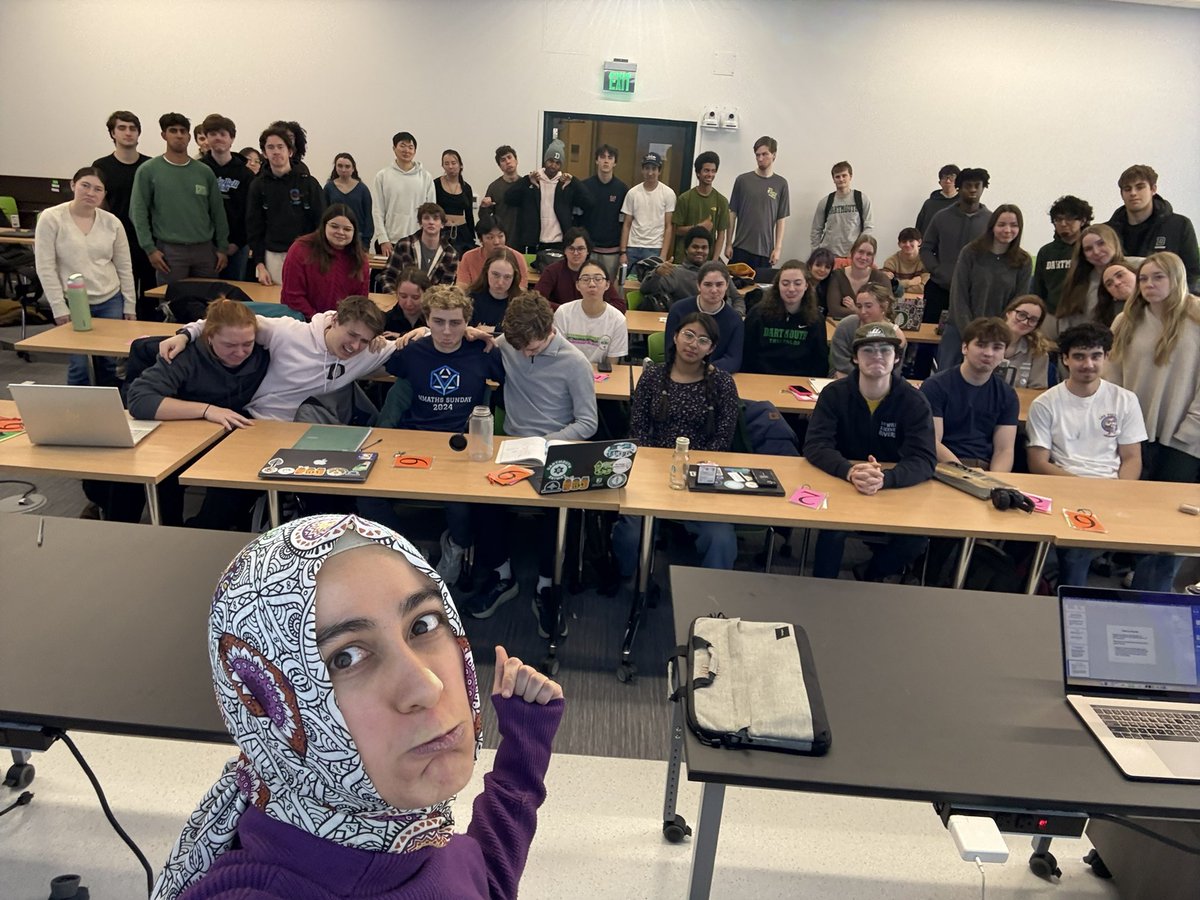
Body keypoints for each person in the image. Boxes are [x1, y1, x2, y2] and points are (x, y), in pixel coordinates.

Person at [149, 513, 563, 900]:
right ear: (269, 703)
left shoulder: (405, 827)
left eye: (423, 624)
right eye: (345, 657)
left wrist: (524, 751)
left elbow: (478, 879)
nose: (428, 686)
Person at [461, 293, 597, 634]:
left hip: (556, 447)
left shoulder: (575, 362)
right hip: (511, 445)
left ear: (550, 330)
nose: (525, 354)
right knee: (484, 499)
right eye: (519, 348)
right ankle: (502, 575)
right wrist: (474, 333)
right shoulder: (511, 342)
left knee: (559, 508)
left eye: (533, 349)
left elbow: (587, 422)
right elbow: (481, 337)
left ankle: (547, 585)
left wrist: (547, 442)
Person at [364, 287, 506, 584]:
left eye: (455, 323)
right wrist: (406, 335)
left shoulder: (481, 352)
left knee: (462, 505)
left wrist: (487, 336)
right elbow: (375, 352)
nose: (446, 331)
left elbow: (512, 365)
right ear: (426, 319)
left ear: (467, 322)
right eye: (438, 321)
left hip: (458, 449)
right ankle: (407, 549)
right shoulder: (412, 352)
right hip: (412, 442)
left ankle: (455, 547)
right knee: (367, 496)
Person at [804, 320, 936, 581]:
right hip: (841, 483)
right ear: (855, 357)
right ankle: (821, 589)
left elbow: (924, 458)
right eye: (868, 350)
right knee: (832, 531)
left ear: (896, 357)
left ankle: (871, 575)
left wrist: (887, 478)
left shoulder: (914, 401)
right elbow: (816, 444)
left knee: (916, 540)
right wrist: (850, 471)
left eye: (885, 350)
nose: (877, 356)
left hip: (892, 486)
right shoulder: (834, 394)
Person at [612, 311, 740, 576]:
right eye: (688, 335)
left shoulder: (722, 383)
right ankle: (629, 580)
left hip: (700, 476)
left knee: (721, 539)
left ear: (711, 348)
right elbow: (637, 428)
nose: (693, 344)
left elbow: (723, 437)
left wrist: (692, 469)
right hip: (650, 471)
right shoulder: (652, 377)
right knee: (630, 533)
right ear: (675, 336)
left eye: (703, 341)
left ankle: (711, 602)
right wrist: (656, 466)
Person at [124, 298, 270, 528]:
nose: (240, 352)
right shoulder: (186, 355)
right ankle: (167, 532)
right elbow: (140, 400)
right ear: (208, 337)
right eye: (230, 345)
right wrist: (206, 410)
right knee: (160, 474)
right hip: (183, 436)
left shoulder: (264, 354)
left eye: (247, 344)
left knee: (233, 486)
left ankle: (203, 530)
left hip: (237, 436)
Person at [1026, 323, 1146, 588]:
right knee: (1078, 549)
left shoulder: (1125, 400)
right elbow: (1038, 463)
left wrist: (1119, 492)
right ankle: (1072, 605)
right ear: (1065, 359)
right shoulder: (1045, 403)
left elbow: (1132, 458)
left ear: (1106, 357)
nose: (1088, 364)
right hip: (1064, 490)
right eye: (1079, 356)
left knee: (1161, 548)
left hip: (1113, 491)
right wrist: (1084, 490)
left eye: (1095, 356)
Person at [1106, 252, 1200, 591]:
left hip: (1185, 436)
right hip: (1135, 432)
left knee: (1170, 519)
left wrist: (1189, 431)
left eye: (1157, 277)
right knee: (1137, 509)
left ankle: (1154, 591)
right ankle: (1133, 574)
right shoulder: (1126, 321)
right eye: (1144, 278)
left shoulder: (1197, 316)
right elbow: (1112, 378)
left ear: (1175, 278)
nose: (1148, 285)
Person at [161, 295, 394, 422]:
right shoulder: (287, 332)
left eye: (364, 340)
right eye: (352, 335)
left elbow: (425, 340)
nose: (355, 346)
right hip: (260, 423)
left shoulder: (368, 351)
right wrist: (186, 334)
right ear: (335, 320)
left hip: (311, 433)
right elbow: (226, 320)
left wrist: (417, 333)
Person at [34, 166, 136, 385]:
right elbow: (45, 267)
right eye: (85, 186)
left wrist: (130, 305)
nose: (91, 193)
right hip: (73, 301)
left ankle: (110, 412)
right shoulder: (51, 218)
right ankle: (76, 413)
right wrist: (58, 306)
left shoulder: (112, 222)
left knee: (108, 363)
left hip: (109, 298)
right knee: (79, 364)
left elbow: (124, 266)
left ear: (104, 194)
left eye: (98, 189)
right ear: (73, 185)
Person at [129, 112, 228, 286]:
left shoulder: (204, 172)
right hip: (170, 252)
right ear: (164, 135)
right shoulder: (149, 170)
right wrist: (150, 249)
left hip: (205, 250)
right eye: (173, 130)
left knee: (209, 305)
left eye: (183, 131)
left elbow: (218, 212)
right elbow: (137, 212)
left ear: (189, 136)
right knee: (172, 306)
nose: (179, 135)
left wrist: (222, 248)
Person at [939, 203, 1031, 370]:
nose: (1007, 230)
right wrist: (971, 334)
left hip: (997, 336)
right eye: (1002, 224)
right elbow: (958, 295)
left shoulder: (1023, 261)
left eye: (1014, 225)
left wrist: (995, 333)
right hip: (960, 331)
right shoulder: (970, 252)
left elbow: (1018, 302)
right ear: (992, 226)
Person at [920, 317, 1018, 471]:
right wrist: (966, 474)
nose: (988, 353)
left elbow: (1004, 450)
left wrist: (996, 481)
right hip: (942, 466)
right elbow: (933, 441)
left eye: (997, 348)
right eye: (981, 345)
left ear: (1004, 353)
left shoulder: (1007, 394)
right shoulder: (935, 386)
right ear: (965, 347)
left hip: (985, 468)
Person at [92, 110, 156, 317]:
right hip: (115, 239)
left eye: (133, 128)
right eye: (122, 128)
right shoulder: (101, 166)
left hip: (147, 240)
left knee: (149, 296)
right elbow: (99, 206)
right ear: (112, 133)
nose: (128, 133)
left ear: (139, 133)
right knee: (120, 296)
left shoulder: (150, 166)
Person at [246, 125, 326, 286]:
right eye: (270, 147)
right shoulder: (258, 186)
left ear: (290, 151)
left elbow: (321, 221)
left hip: (306, 254)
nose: (276, 151)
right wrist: (260, 265)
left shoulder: (308, 183)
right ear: (264, 153)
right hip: (272, 256)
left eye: (280, 147)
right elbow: (254, 227)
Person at [1106, 164, 1200, 292]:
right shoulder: (1108, 231)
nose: (1133, 193)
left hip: (1168, 303)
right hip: (1120, 304)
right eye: (1127, 189)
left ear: (1153, 189)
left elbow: (1192, 272)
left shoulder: (1179, 225)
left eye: (1140, 187)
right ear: (1121, 194)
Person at [918, 166, 990, 330]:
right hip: (940, 289)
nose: (972, 190)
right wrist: (937, 270)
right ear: (959, 187)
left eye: (977, 186)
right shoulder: (941, 217)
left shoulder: (990, 221)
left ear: (983, 188)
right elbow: (926, 248)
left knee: (970, 338)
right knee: (926, 342)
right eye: (968, 186)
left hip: (974, 294)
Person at [280, 203, 370, 319]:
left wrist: (339, 324)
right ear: (324, 225)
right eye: (334, 226)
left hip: (340, 326)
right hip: (301, 321)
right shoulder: (300, 249)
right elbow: (292, 295)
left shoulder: (360, 260)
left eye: (347, 229)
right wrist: (319, 321)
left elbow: (360, 303)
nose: (340, 232)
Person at [741, 260, 828, 376]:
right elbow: (746, 354)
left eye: (797, 283)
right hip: (761, 378)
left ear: (806, 285)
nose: (791, 289)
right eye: (785, 283)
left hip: (799, 382)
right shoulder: (757, 314)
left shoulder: (816, 319)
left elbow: (820, 362)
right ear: (778, 286)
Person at [1048, 224, 1132, 339]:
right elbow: (1066, 323)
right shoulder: (1078, 283)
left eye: (1101, 243)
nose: (1096, 252)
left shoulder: (1139, 267)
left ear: (1113, 242)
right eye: (1088, 249)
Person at [197, 114, 254, 283]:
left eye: (223, 134)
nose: (218, 138)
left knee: (233, 292)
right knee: (205, 291)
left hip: (237, 246)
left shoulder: (246, 175)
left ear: (232, 139)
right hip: (205, 245)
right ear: (206, 138)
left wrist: (237, 242)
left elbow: (249, 212)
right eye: (213, 134)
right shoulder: (198, 170)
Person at [504, 147, 591, 254]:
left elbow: (589, 203)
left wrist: (574, 182)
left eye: (557, 163)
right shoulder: (533, 180)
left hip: (560, 242)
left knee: (557, 270)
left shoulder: (566, 184)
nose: (553, 165)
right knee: (531, 270)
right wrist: (526, 180)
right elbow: (508, 198)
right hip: (534, 242)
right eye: (550, 161)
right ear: (545, 161)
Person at [663, 260, 744, 372]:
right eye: (707, 284)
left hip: (714, 375)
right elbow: (670, 350)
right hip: (681, 372)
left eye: (719, 284)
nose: (714, 290)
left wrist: (706, 369)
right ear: (698, 285)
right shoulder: (678, 310)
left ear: (727, 286)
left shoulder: (735, 320)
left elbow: (733, 359)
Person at [640, 226, 743, 312]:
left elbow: (737, 298)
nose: (699, 251)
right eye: (695, 247)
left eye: (704, 248)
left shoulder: (718, 272)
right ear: (686, 249)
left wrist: (737, 315)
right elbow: (645, 289)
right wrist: (657, 273)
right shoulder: (676, 273)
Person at [726, 136, 790, 269]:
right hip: (741, 248)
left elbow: (781, 219)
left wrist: (777, 248)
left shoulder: (781, 184)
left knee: (761, 289)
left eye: (765, 154)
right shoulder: (742, 181)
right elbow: (732, 214)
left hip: (765, 252)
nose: (760, 159)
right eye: (757, 155)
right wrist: (728, 244)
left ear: (774, 155)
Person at [372, 131, 436, 257]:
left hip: (418, 241)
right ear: (394, 148)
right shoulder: (382, 176)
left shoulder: (425, 177)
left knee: (416, 277)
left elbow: (432, 211)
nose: (406, 150)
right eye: (402, 146)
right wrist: (383, 239)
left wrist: (428, 239)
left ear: (415, 151)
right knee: (386, 277)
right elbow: (377, 210)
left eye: (410, 147)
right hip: (390, 241)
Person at [552, 260, 629, 364]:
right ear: (578, 285)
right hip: (568, 372)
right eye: (585, 279)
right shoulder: (563, 313)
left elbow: (612, 364)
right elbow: (558, 354)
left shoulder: (618, 320)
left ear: (607, 285)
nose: (592, 284)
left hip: (601, 376)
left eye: (598, 279)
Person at [535, 227, 624, 310]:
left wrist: (595, 309)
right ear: (564, 251)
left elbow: (620, 305)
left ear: (588, 251)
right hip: (561, 321)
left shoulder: (598, 271)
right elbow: (536, 300)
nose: (576, 253)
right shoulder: (552, 271)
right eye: (571, 248)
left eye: (580, 249)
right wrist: (569, 310)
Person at [1031, 195, 1093, 314]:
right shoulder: (1046, 252)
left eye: (1069, 218)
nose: (1063, 224)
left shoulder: (1090, 248)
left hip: (1083, 313)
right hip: (1051, 314)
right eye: (1058, 219)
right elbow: (1038, 289)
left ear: (1083, 221)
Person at [830, 283, 907, 377]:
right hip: (846, 376)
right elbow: (840, 362)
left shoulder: (896, 334)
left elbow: (895, 371)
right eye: (859, 306)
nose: (863, 311)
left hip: (882, 380)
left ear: (884, 306)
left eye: (868, 306)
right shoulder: (847, 325)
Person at [618, 152, 676, 273]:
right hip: (632, 247)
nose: (650, 173)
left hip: (654, 247)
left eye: (654, 169)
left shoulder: (668, 194)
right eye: (647, 168)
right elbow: (627, 224)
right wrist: (623, 252)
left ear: (659, 171)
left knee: (651, 285)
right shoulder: (632, 193)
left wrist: (663, 255)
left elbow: (668, 226)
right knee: (628, 284)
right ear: (642, 170)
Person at [380, 202, 459, 290]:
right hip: (402, 299)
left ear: (442, 224)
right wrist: (395, 295)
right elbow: (388, 276)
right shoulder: (404, 245)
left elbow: (447, 288)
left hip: (433, 302)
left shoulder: (451, 254)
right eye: (426, 218)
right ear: (420, 223)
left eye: (436, 219)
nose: (431, 222)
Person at [579, 144, 628, 281]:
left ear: (615, 163)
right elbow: (577, 219)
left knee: (607, 287)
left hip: (612, 251)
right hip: (589, 250)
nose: (606, 161)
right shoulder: (584, 187)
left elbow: (625, 222)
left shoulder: (622, 189)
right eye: (602, 157)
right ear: (596, 161)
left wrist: (622, 251)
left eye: (610, 158)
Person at [671, 151, 728, 264]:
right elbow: (676, 230)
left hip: (708, 260)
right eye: (706, 170)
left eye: (713, 171)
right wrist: (698, 228)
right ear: (698, 173)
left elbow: (721, 234)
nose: (710, 174)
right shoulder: (685, 198)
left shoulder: (722, 201)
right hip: (684, 260)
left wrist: (715, 261)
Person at [810, 160, 873, 259]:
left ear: (850, 176)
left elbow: (868, 227)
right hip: (829, 256)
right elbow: (816, 230)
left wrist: (859, 249)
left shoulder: (861, 199)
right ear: (833, 179)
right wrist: (817, 252)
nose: (841, 179)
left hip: (854, 256)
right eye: (837, 176)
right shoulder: (825, 202)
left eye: (844, 175)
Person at [825, 234, 896, 319]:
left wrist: (855, 309)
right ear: (852, 252)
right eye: (860, 252)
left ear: (873, 258)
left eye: (869, 254)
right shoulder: (837, 276)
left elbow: (888, 310)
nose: (863, 257)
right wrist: (869, 311)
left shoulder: (881, 278)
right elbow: (835, 310)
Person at [455, 217, 529, 289]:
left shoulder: (517, 257)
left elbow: (521, 289)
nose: (496, 242)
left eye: (500, 236)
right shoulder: (469, 257)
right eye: (490, 237)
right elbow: (462, 287)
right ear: (481, 240)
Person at [998, 294, 1051, 389]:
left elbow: (1037, 391)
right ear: (1009, 313)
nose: (1025, 322)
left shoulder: (1038, 352)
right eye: (1022, 315)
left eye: (1033, 320)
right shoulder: (985, 341)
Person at [323, 153, 373, 252]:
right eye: (340, 166)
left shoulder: (363, 189)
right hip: (335, 237)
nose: (343, 169)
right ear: (335, 168)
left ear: (353, 168)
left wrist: (366, 242)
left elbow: (368, 216)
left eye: (347, 166)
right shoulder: (329, 188)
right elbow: (324, 214)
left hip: (358, 239)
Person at [465, 248, 523, 331]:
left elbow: (524, 333)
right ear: (486, 271)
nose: (500, 282)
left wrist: (494, 330)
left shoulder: (522, 304)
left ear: (514, 277)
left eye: (507, 277)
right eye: (495, 275)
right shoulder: (470, 298)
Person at [435, 149, 476, 256]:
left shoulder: (466, 187)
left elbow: (469, 214)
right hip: (442, 231)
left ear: (460, 165)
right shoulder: (435, 184)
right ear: (443, 166)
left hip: (462, 232)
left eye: (454, 163)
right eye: (446, 163)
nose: (451, 167)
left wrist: (472, 236)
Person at [479, 145, 521, 244]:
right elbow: (484, 219)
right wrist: (483, 207)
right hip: (501, 239)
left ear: (516, 160)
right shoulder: (494, 187)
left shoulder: (526, 184)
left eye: (509, 157)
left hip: (523, 240)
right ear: (500, 166)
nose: (507, 161)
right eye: (503, 160)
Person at [881, 227, 929, 305]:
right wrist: (910, 282)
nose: (907, 244)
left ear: (919, 242)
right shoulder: (891, 262)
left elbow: (925, 288)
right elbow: (886, 287)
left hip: (920, 304)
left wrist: (898, 287)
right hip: (896, 304)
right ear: (899, 244)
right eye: (904, 241)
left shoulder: (926, 260)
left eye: (911, 241)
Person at [382, 266, 432, 336]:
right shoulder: (386, 321)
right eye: (403, 296)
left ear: (426, 295)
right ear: (396, 294)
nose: (408, 303)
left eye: (415, 297)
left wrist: (401, 336)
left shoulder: (434, 319)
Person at [914, 164, 960, 234]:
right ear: (940, 182)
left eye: (952, 177)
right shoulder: (929, 204)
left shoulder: (965, 203)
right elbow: (918, 230)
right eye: (944, 177)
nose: (948, 181)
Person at [1097, 260, 1137, 327]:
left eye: (1120, 275)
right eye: (1109, 284)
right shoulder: (1116, 321)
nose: (1116, 283)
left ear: (1135, 274)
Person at [806, 247, 836, 313]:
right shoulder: (801, 284)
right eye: (818, 265)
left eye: (827, 267)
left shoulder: (830, 287)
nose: (822, 270)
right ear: (809, 265)